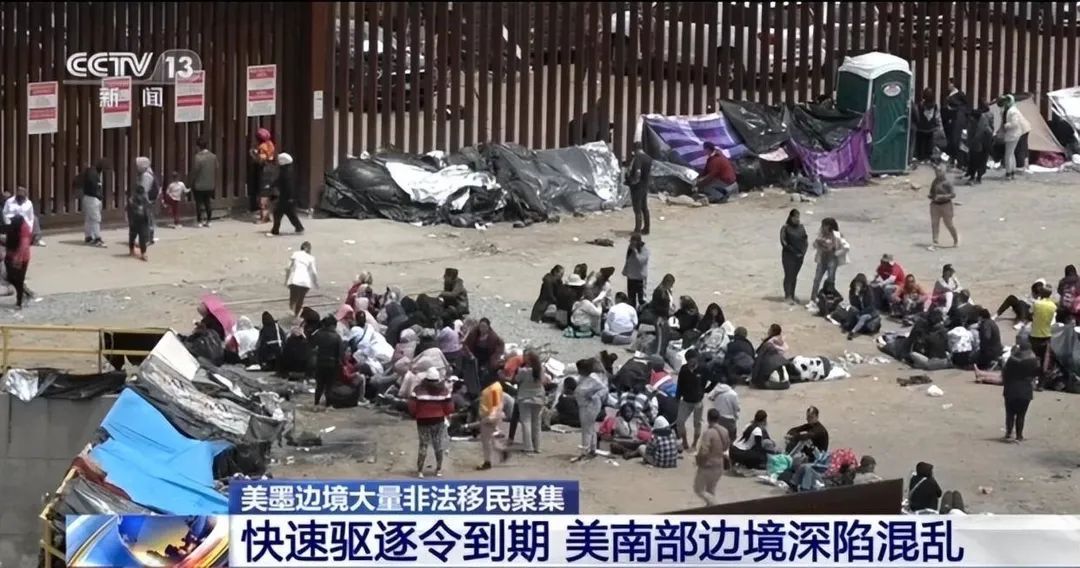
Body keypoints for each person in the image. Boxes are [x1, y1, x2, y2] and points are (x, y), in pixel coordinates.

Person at [408, 369, 454, 477]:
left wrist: (415, 414)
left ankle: (420, 471)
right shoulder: (444, 390)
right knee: (438, 444)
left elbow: (412, 405)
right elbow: (449, 406)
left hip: (422, 420)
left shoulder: (418, 389)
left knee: (423, 444)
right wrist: (446, 413)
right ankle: (438, 469)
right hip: (438, 419)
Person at [1002, 338, 1038, 442]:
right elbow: (1036, 374)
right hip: (1025, 390)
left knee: (1010, 413)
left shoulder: (1012, 360)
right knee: (1021, 415)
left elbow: (1005, 373)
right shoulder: (1033, 361)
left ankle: (1009, 433)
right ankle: (1019, 436)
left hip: (1011, 389)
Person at [694, 409, 731, 505]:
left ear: (708, 418)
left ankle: (715, 504)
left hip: (708, 465)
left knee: (699, 490)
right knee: (711, 490)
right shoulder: (725, 431)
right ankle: (711, 509)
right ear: (718, 418)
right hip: (720, 464)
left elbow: (704, 451)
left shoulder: (708, 433)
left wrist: (698, 460)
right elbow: (726, 446)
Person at [574, 358, 609, 461]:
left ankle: (585, 451)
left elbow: (604, 389)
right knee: (590, 428)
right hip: (585, 405)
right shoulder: (585, 378)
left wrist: (595, 396)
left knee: (586, 429)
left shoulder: (593, 379)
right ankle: (592, 449)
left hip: (590, 405)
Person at [514, 351, 548, 454]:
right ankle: (537, 446)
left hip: (525, 397)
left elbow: (517, 379)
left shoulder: (523, 371)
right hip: (538, 397)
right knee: (537, 423)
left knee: (526, 422)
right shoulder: (541, 369)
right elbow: (544, 381)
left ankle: (528, 447)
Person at [476, 372, 509, 470]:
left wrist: (491, 416)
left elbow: (495, 404)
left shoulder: (493, 388)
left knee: (486, 441)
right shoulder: (496, 386)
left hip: (489, 415)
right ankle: (502, 450)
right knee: (491, 439)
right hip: (492, 415)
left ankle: (487, 462)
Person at [267, 153, 305, 236]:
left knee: (278, 213)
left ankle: (275, 231)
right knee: (290, 214)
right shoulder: (287, 170)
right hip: (288, 197)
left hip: (286, 197)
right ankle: (299, 228)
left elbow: (287, 184)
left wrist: (290, 197)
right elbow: (279, 180)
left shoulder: (286, 172)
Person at [311, 315, 345, 407]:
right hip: (332, 364)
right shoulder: (337, 337)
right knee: (329, 386)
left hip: (320, 363)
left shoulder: (318, 334)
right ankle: (327, 405)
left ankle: (316, 403)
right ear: (333, 325)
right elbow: (340, 354)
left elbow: (312, 348)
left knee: (319, 385)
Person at [675, 349, 705, 450]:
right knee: (680, 422)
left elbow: (713, 379)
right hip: (686, 401)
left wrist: (705, 390)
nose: (691, 363)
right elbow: (679, 384)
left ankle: (695, 443)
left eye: (693, 360)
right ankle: (684, 441)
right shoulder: (684, 369)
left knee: (697, 424)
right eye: (689, 361)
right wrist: (677, 398)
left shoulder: (702, 369)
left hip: (697, 402)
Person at [809, 217, 845, 303]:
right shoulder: (821, 235)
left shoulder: (837, 235)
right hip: (822, 259)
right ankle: (813, 298)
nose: (822, 227)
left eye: (824, 225)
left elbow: (839, 248)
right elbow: (814, 245)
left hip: (832, 260)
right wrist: (819, 243)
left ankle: (829, 297)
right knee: (817, 279)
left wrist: (830, 246)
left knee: (830, 279)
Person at [997, 94, 1031, 181]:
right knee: (1011, 153)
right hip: (1013, 133)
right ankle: (1012, 172)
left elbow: (1014, 123)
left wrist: (1006, 126)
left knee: (1008, 154)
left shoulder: (1013, 111)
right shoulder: (1007, 110)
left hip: (1014, 134)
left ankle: (1009, 173)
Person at [780, 209, 808, 305]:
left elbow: (805, 240)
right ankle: (787, 296)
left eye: (798, 217)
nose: (797, 219)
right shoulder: (785, 228)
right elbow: (784, 242)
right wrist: (794, 252)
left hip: (800, 256)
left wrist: (803, 252)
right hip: (788, 255)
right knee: (789, 275)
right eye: (795, 217)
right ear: (790, 217)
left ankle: (792, 294)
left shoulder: (801, 227)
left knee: (794, 276)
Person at [3, 216, 32, 309]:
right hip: (10, 256)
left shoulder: (25, 229)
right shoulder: (12, 227)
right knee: (10, 278)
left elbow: (24, 246)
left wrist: (18, 260)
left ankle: (19, 301)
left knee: (19, 279)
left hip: (22, 258)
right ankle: (24, 292)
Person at [189, 138, 218, 227]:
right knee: (208, 202)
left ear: (198, 146)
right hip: (210, 184)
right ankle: (209, 221)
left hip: (199, 184)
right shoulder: (213, 156)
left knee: (199, 203)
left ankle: (200, 221)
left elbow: (195, 171)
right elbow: (217, 167)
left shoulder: (197, 157)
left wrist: (191, 181)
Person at [1029, 286, 1056, 383]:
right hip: (1046, 335)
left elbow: (1030, 314)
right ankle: (1041, 384)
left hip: (1034, 335)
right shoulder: (1053, 306)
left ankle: (1032, 380)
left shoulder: (1036, 304)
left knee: (1033, 359)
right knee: (1045, 360)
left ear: (1041, 293)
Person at [928, 165, 958, 249]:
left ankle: (955, 239)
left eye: (939, 172)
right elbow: (931, 192)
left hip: (946, 205)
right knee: (934, 223)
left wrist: (942, 197)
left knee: (949, 224)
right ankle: (935, 241)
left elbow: (953, 194)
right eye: (936, 172)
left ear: (943, 172)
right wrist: (931, 196)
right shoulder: (935, 181)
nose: (936, 173)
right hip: (935, 205)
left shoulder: (947, 182)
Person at [626, 141, 653, 234]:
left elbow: (638, 172)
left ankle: (637, 230)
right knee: (644, 207)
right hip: (645, 185)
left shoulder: (638, 158)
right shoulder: (648, 158)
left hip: (638, 187)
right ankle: (646, 228)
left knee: (637, 209)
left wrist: (633, 182)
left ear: (635, 149)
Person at [285, 242, 318, 316]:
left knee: (293, 298)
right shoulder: (311, 258)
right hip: (305, 282)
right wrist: (315, 283)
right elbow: (314, 272)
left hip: (295, 280)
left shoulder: (295, 254)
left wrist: (286, 280)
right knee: (300, 300)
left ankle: (291, 312)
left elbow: (287, 268)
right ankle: (296, 315)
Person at [942, 78, 969, 168]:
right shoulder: (949, 94)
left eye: (949, 84)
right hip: (950, 121)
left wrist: (954, 109)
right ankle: (953, 158)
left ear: (953, 84)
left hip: (957, 120)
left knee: (956, 140)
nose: (948, 85)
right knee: (951, 139)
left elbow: (964, 106)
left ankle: (959, 160)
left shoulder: (959, 94)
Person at [79, 159, 107, 246]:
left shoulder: (91, 172)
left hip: (88, 198)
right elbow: (94, 187)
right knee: (95, 219)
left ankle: (88, 236)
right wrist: (99, 195)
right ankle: (97, 238)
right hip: (92, 199)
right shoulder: (93, 174)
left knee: (89, 218)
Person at [251, 128, 276, 223]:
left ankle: (264, 218)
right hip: (271, 170)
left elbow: (261, 160)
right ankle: (268, 216)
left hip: (265, 172)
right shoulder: (270, 144)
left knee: (263, 195)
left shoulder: (262, 147)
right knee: (267, 194)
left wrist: (254, 154)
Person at [964, 103, 993, 184]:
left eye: (971, 118)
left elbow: (978, 135)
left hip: (983, 143)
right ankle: (972, 176)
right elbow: (970, 134)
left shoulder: (982, 123)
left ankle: (978, 177)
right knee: (973, 160)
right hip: (976, 144)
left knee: (980, 160)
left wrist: (972, 144)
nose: (970, 119)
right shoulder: (973, 122)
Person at [134, 157, 160, 244]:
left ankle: (147, 238)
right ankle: (149, 237)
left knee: (146, 219)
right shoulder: (146, 173)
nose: (136, 167)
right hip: (148, 200)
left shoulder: (146, 176)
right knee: (148, 218)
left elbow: (144, 190)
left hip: (146, 200)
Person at [913, 88, 942, 162]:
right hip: (930, 128)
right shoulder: (935, 106)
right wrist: (938, 126)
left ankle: (920, 157)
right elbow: (937, 117)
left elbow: (917, 115)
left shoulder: (920, 105)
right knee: (929, 144)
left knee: (920, 144)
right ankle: (927, 157)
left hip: (920, 128)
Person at [125, 183, 152, 261]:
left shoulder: (143, 200)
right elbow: (128, 211)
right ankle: (134, 251)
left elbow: (147, 211)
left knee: (140, 237)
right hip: (136, 221)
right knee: (134, 236)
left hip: (141, 221)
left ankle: (141, 252)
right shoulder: (133, 200)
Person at [651, 274, 677, 354]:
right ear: (667, 282)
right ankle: (658, 354)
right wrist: (667, 311)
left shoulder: (667, 291)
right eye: (671, 284)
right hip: (659, 317)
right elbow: (654, 306)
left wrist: (671, 307)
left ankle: (662, 353)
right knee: (660, 338)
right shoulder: (659, 291)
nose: (672, 286)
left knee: (665, 337)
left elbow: (669, 302)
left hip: (665, 317)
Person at [622, 233, 649, 308]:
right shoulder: (630, 248)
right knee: (631, 299)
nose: (631, 244)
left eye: (632, 242)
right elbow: (628, 260)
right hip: (631, 278)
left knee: (642, 300)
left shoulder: (645, 250)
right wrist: (625, 270)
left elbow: (641, 262)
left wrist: (635, 252)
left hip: (640, 278)